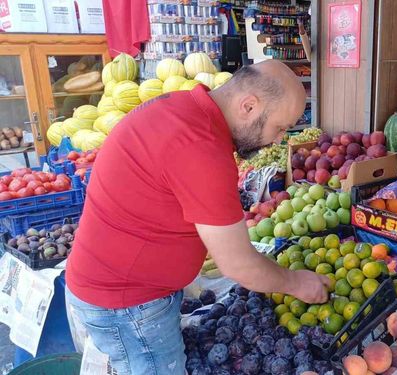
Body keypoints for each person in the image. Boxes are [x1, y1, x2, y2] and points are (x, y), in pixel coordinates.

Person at [64, 60, 331, 375]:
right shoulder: (200, 147)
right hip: (127, 304)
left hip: (121, 288)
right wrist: (297, 283)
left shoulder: (183, 107)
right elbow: (238, 265)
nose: (277, 140)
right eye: (280, 127)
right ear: (249, 106)